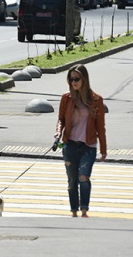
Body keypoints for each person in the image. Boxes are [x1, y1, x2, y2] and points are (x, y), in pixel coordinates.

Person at [54, 64, 107, 218]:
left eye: (76, 79)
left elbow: (101, 127)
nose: (73, 82)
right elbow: (61, 119)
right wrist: (58, 134)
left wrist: (103, 149)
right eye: (71, 79)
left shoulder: (96, 100)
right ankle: (74, 212)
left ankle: (84, 210)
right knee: (72, 181)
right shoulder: (66, 98)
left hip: (88, 146)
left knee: (83, 177)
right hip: (69, 144)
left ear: (84, 79)